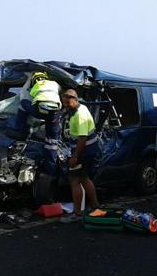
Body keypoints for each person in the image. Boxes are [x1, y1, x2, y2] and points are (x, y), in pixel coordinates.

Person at [9, 72, 61, 178]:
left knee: (23, 103)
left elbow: (25, 95)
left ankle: (19, 130)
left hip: (39, 111)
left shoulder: (36, 85)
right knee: (52, 142)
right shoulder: (54, 84)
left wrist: (28, 79)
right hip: (54, 114)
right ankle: (50, 170)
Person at [59, 89, 100, 223]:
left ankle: (77, 213)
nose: (66, 106)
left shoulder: (79, 115)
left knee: (74, 180)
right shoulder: (81, 107)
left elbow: (82, 138)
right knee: (84, 178)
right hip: (90, 148)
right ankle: (95, 206)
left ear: (75, 99)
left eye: (68, 104)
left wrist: (75, 157)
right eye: (64, 104)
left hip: (84, 150)